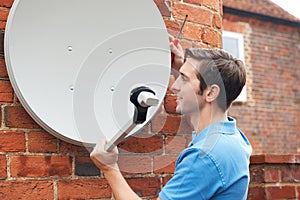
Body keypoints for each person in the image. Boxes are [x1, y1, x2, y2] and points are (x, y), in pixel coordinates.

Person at [90, 35, 252, 200]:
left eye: (183, 79)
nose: (174, 87)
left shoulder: (204, 156)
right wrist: (183, 67)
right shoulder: (232, 138)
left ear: (211, 93)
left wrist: (110, 168)